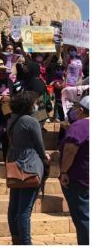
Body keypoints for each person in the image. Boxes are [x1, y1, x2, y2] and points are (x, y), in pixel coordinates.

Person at [6, 91, 49, 245]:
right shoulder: (31, 121)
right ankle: (26, 243)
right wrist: (46, 157)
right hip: (30, 166)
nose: (36, 105)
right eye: (34, 103)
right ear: (28, 105)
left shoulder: (12, 120)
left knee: (14, 207)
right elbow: (40, 146)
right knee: (25, 210)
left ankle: (16, 240)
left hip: (15, 165)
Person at [59, 95, 89, 245]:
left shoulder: (79, 125)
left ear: (81, 110)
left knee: (83, 217)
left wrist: (64, 171)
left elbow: (70, 150)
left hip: (78, 179)